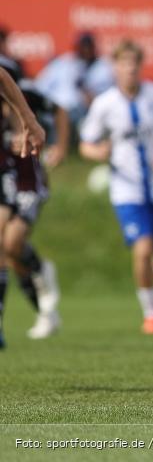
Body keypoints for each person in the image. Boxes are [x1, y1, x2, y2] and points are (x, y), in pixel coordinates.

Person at [79, 40, 153, 335]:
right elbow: (85, 145)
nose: (130, 68)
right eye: (124, 63)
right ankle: (152, 314)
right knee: (143, 249)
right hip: (127, 190)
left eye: (134, 63)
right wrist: (98, 153)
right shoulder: (105, 104)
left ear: (141, 66)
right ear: (115, 67)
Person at [0, 59, 67, 340]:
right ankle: (38, 310)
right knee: (7, 251)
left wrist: (59, 145)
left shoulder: (29, 99)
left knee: (11, 244)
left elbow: (60, 111)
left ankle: (41, 275)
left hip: (29, 184)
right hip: (5, 183)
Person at [0, 53, 47, 349]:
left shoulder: (27, 94)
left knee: (7, 240)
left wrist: (28, 121)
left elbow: (2, 77)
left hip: (19, 179)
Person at [35, 32, 114, 126]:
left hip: (84, 115)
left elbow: (105, 99)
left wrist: (84, 88)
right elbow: (40, 87)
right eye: (83, 46)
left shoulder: (103, 67)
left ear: (94, 48)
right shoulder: (64, 63)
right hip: (54, 113)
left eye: (88, 46)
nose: (86, 50)